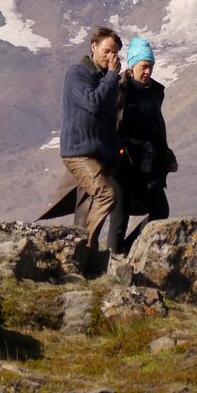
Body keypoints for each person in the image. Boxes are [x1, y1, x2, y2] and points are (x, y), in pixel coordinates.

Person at [59, 25, 127, 261]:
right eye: (107, 51)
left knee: (86, 206)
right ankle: (87, 249)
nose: (111, 57)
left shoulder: (104, 79)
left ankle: (79, 257)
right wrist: (111, 77)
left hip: (99, 154)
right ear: (94, 47)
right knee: (106, 196)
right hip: (78, 151)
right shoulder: (77, 74)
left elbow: (110, 119)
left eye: (115, 53)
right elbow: (93, 104)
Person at [115, 37, 176, 253]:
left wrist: (167, 156)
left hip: (149, 164)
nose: (148, 71)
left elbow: (157, 128)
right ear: (133, 65)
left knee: (160, 210)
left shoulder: (155, 92)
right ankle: (113, 255)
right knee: (119, 214)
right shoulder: (119, 89)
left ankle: (130, 248)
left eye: (151, 66)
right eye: (144, 66)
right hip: (123, 163)